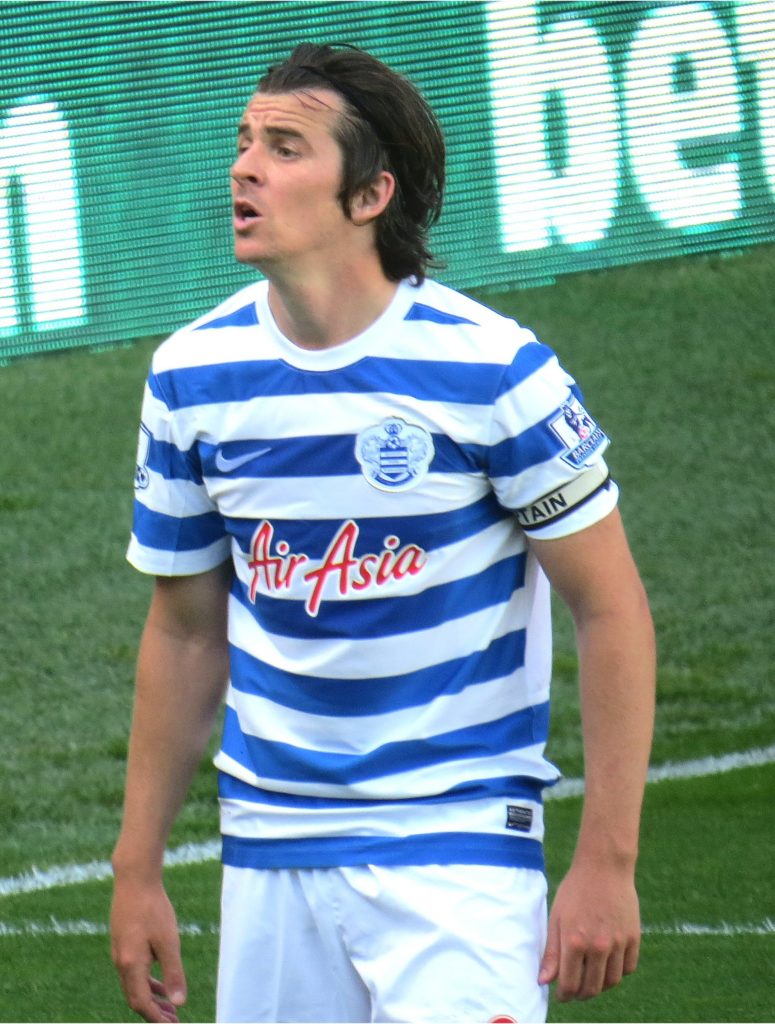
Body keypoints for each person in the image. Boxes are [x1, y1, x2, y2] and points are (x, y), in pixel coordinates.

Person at [110, 42, 656, 1024]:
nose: (243, 168)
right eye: (244, 141)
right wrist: (136, 866)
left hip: (460, 848)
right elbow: (187, 633)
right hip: (270, 849)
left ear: (369, 195)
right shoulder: (192, 376)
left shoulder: (495, 372)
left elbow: (608, 606)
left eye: (284, 148)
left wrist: (607, 862)